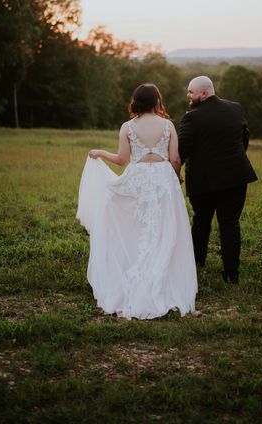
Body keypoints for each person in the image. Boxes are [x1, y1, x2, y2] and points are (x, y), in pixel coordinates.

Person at [76, 83, 197, 320]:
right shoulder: (168, 125)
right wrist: (176, 177)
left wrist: (100, 153)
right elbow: (175, 158)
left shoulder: (128, 127)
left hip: (138, 178)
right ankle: (163, 274)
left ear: (137, 101)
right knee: (164, 227)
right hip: (163, 179)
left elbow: (121, 160)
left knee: (138, 226)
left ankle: (134, 269)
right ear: (157, 101)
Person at [178, 76, 257, 284]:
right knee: (230, 224)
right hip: (236, 177)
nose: (188, 95)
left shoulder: (191, 118)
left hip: (204, 181)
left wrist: (175, 171)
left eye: (191, 92)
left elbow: (181, 151)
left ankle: (197, 263)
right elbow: (244, 140)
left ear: (204, 94)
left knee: (201, 221)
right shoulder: (235, 109)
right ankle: (231, 273)